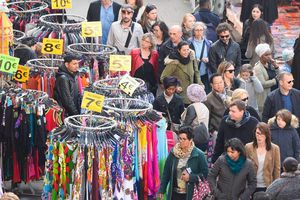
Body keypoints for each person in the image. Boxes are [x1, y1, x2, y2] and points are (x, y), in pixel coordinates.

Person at [158, 126, 208, 200]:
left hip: (190, 194)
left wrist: (190, 177)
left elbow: (205, 175)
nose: (181, 141)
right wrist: (162, 190)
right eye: (180, 138)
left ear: (191, 140)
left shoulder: (199, 154)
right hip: (174, 194)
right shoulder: (173, 152)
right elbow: (166, 173)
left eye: (184, 139)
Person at [160, 41, 202, 106]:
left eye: (188, 50)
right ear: (179, 50)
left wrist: (200, 84)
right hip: (180, 96)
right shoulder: (174, 62)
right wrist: (175, 87)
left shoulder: (191, 58)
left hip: (193, 95)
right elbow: (163, 77)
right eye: (184, 50)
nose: (186, 52)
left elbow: (196, 72)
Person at [245, 122, 281, 192]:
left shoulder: (275, 148)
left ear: (267, 135)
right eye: (257, 133)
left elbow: (277, 170)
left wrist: (276, 188)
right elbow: (244, 167)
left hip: (268, 186)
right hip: (251, 186)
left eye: (262, 134)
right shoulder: (248, 147)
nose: (259, 136)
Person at [181, 84, 209, 151]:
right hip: (204, 137)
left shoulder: (192, 107)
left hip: (194, 139)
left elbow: (186, 124)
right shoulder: (204, 107)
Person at [254, 43, 280, 114]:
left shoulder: (270, 64)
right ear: (261, 56)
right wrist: (275, 80)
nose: (269, 57)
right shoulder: (257, 68)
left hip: (275, 95)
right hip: (265, 97)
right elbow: (262, 84)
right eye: (266, 55)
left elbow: (280, 76)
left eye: (270, 54)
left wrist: (276, 66)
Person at [189, 22, 213, 94]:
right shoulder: (189, 43)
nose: (199, 32)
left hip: (205, 73)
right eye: (197, 30)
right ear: (193, 31)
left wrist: (208, 60)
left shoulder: (209, 43)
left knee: (205, 94)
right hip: (193, 74)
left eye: (201, 30)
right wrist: (194, 60)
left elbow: (212, 58)